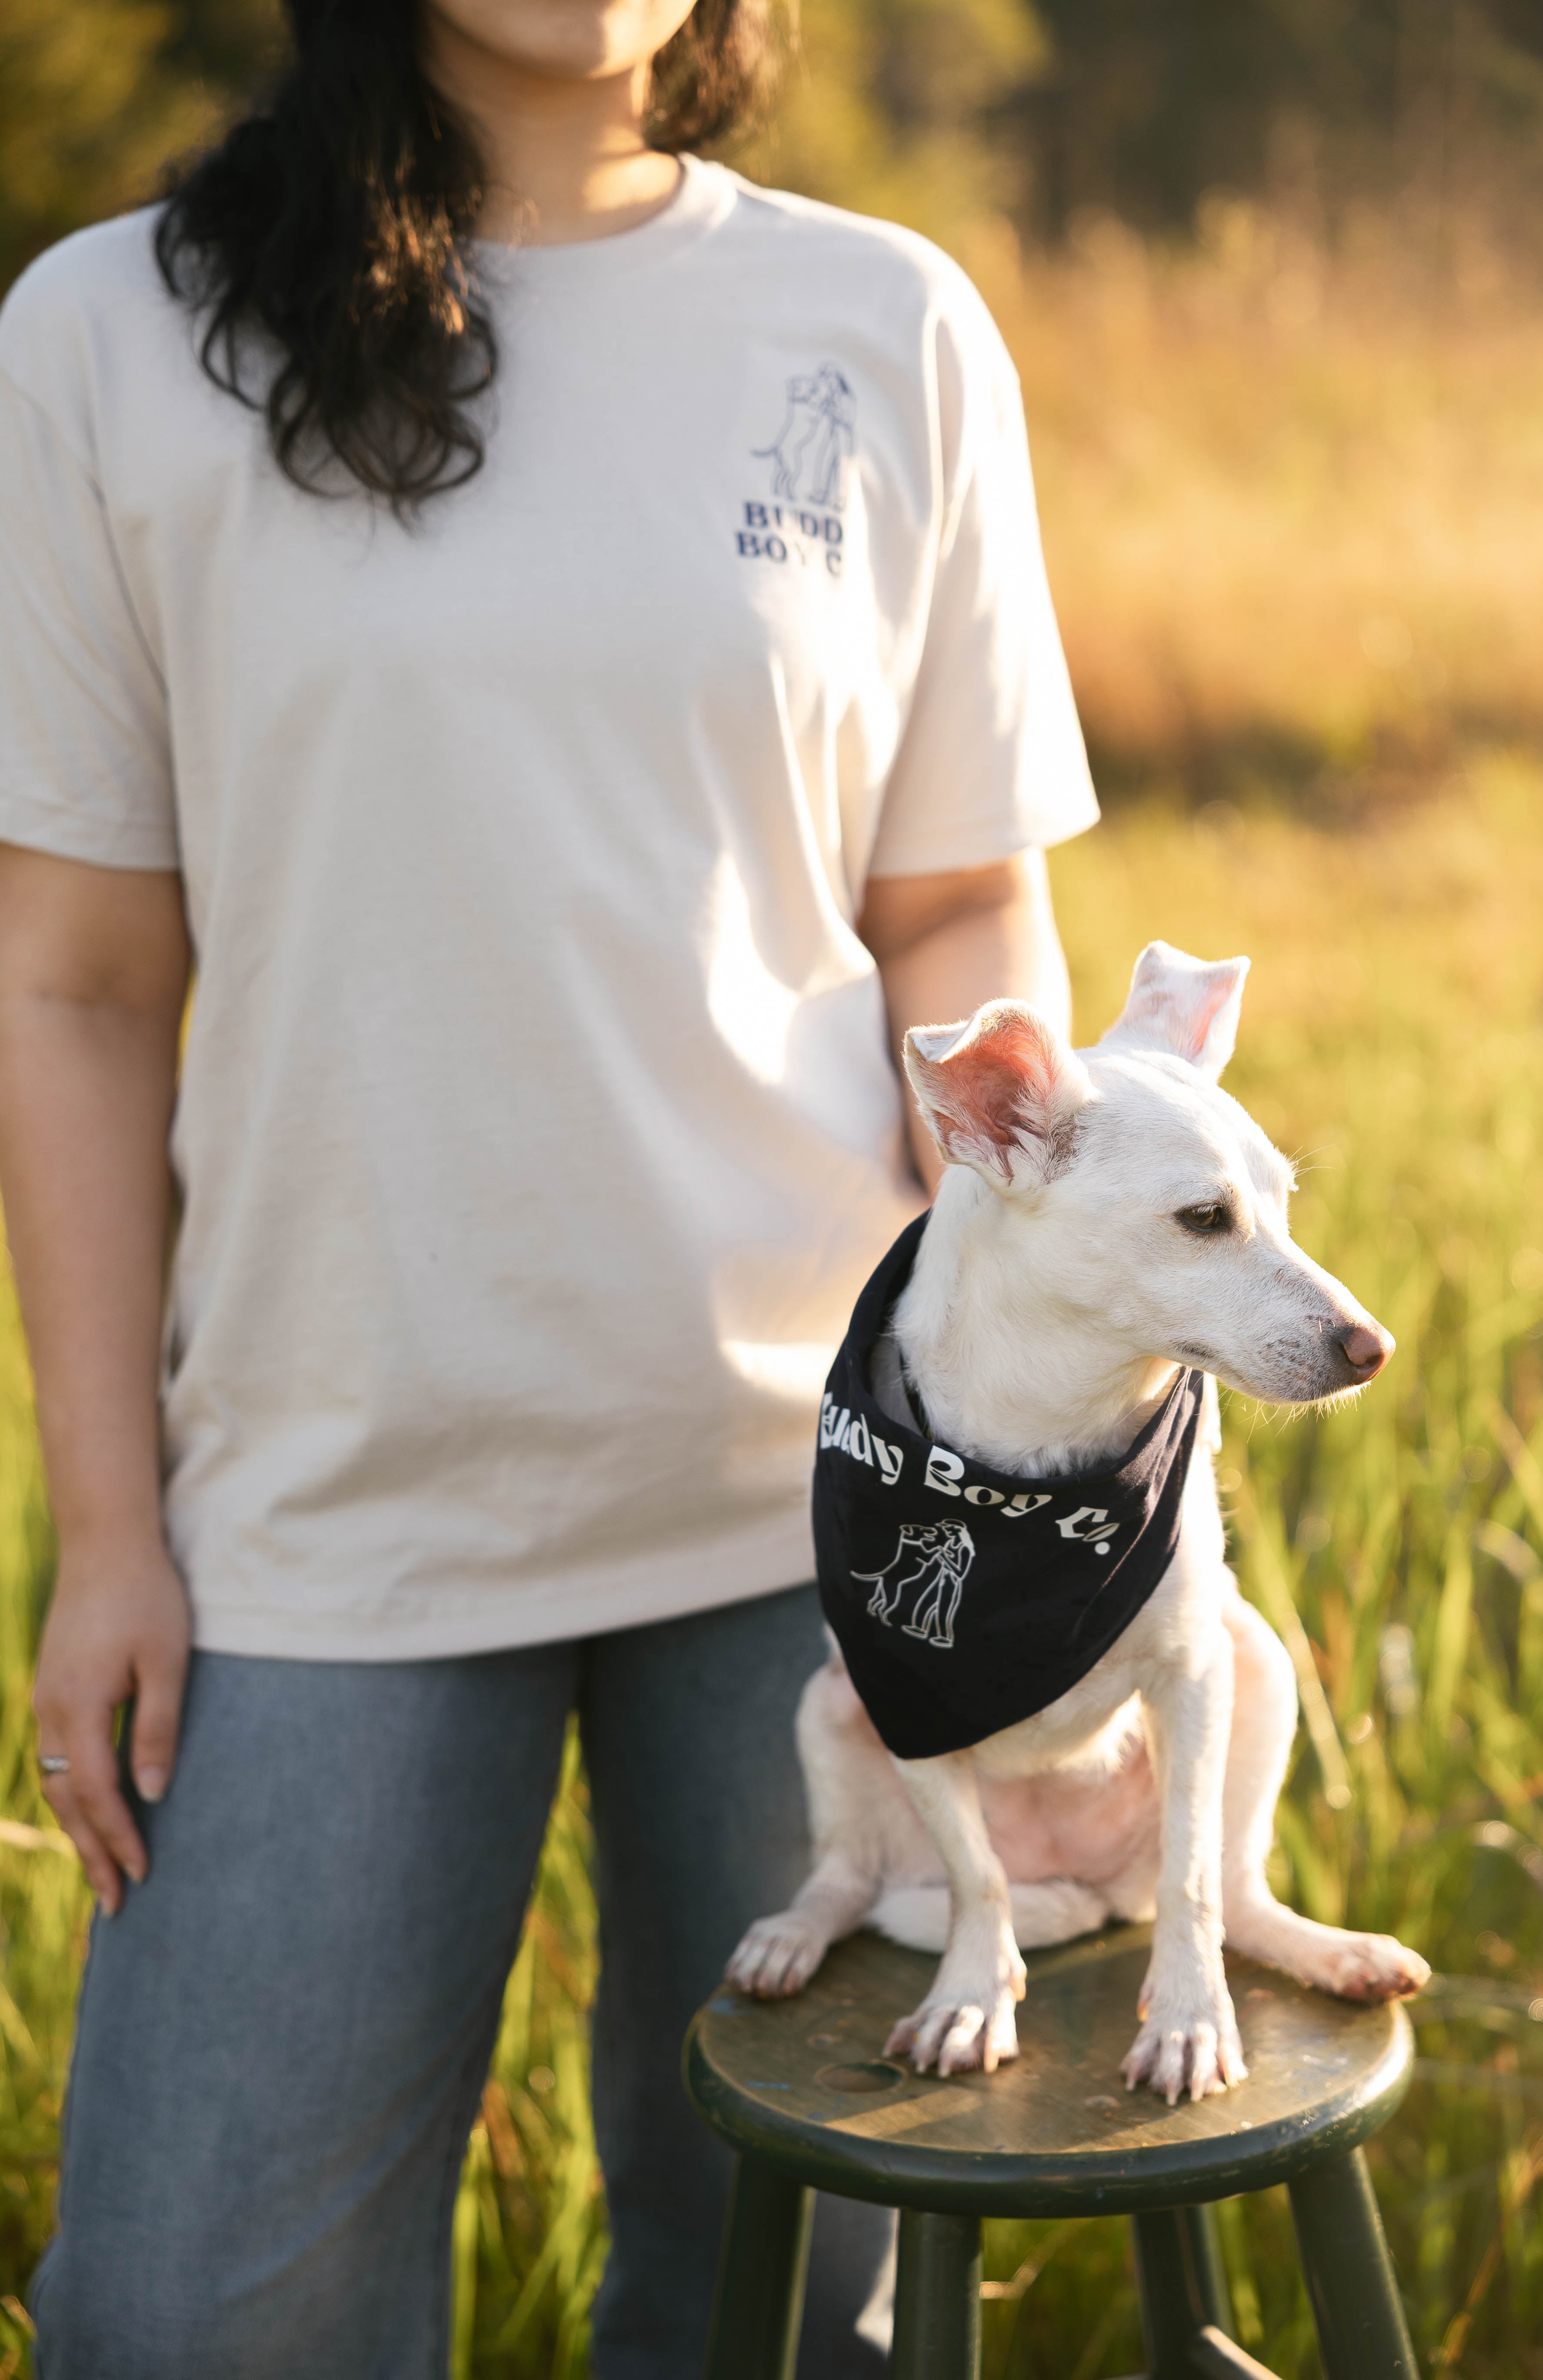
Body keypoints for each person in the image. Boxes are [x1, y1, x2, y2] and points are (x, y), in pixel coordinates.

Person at [0, 0, 1097, 2368]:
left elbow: (956, 917)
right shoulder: (106, 337)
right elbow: (81, 981)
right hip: (322, 1519)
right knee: (193, 2322)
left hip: (825, 1513)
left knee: (817, 2320)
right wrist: (109, 1532)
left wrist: (1040, 1502)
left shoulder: (883, 322)